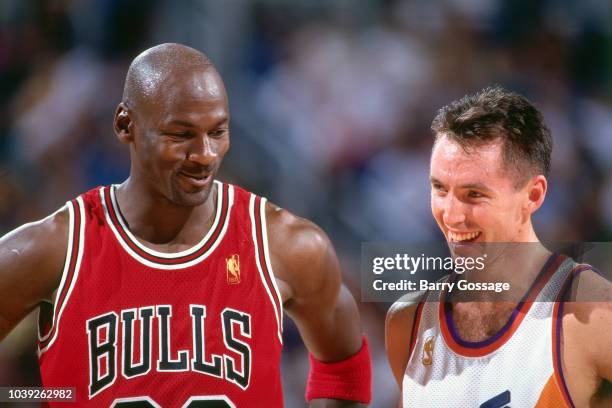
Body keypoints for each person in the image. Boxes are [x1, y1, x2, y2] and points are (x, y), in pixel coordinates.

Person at [0, 43, 371, 407]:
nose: (205, 154)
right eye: (181, 135)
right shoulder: (56, 247)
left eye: (217, 131)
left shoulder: (287, 244)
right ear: (125, 125)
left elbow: (344, 370)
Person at [385, 86, 612, 407]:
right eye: (439, 189)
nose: (451, 214)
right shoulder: (407, 322)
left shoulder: (591, 314)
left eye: (474, 194)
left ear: (533, 195)